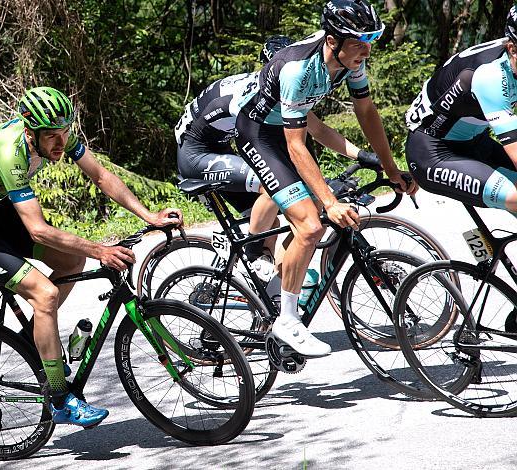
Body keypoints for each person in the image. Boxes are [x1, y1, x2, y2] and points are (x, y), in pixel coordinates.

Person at [0, 87, 183, 427]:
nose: (60, 143)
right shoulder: (11, 153)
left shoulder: (58, 131)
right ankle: (59, 399)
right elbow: (37, 230)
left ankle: (37, 339)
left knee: (70, 262)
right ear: (29, 131)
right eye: (52, 136)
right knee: (45, 293)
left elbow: (100, 176)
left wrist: (149, 216)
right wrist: (101, 250)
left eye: (65, 133)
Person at [229, 0, 416, 357]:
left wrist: (391, 168)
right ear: (333, 40)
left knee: (314, 217)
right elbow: (297, 147)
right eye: (360, 39)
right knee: (311, 225)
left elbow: (366, 110)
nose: (368, 47)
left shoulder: (351, 59)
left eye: (372, 37)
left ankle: (279, 281)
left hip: (287, 134)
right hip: (258, 134)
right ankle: (286, 320)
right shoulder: (298, 68)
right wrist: (328, 203)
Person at [175, 33, 379, 281]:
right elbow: (270, 148)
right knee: (269, 188)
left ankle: (270, 291)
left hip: (221, 148)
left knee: (273, 221)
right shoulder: (256, 93)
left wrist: (362, 155)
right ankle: (252, 255)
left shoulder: (280, 91)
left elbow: (319, 130)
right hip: (197, 153)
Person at [404, 6, 517, 213]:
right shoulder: (490, 76)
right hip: (433, 153)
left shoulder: (510, 61)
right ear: (512, 49)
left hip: (475, 143)